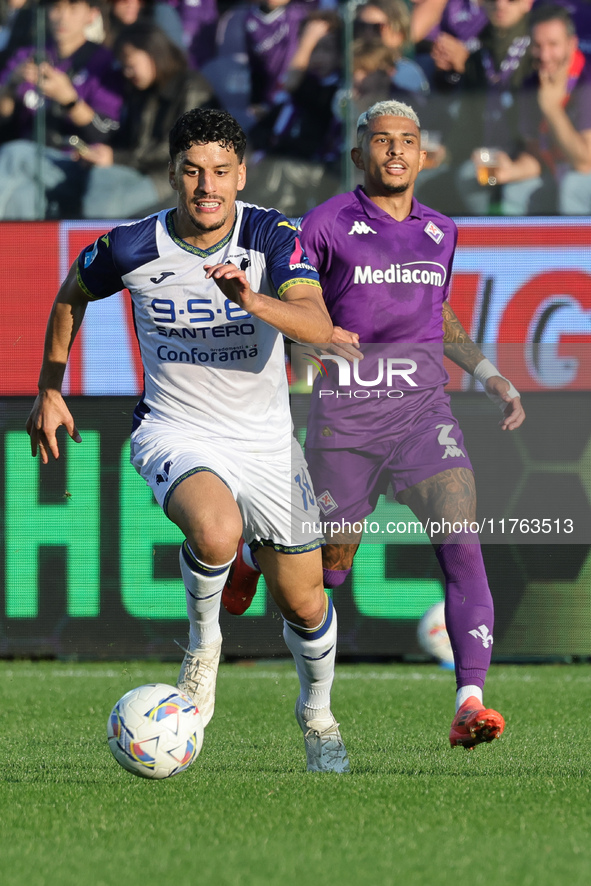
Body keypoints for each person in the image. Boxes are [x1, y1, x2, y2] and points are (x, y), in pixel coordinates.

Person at [25, 107, 350, 774]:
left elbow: (317, 325)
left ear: (241, 175)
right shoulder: (131, 245)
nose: (207, 186)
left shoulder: (269, 234)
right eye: (194, 172)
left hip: (264, 441)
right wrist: (49, 388)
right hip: (175, 428)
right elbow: (70, 294)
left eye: (221, 173)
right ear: (173, 173)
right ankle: (204, 652)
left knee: (305, 600)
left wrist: (252, 300)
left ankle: (317, 718)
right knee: (214, 531)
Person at [223, 99, 526, 750]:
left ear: (423, 156)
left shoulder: (442, 231)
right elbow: (301, 305)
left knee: (460, 537)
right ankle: (255, 553)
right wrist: (303, 356)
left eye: (407, 140)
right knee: (328, 572)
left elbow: (435, 315)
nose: (394, 150)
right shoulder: (326, 224)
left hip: (423, 413)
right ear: (359, 155)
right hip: (347, 421)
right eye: (381, 140)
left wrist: (487, 373)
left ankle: (469, 699)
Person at [79, 20, 217, 218]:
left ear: (153, 53)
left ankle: (95, 247)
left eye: (131, 65)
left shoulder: (192, 88)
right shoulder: (140, 91)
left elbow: (183, 149)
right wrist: (100, 153)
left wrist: (117, 158)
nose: (127, 73)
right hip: (138, 171)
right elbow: (128, 139)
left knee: (104, 203)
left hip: (173, 178)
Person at [0, 0, 123, 218]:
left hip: (74, 163)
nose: (62, 17)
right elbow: (4, 118)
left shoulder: (105, 61)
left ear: (92, 14)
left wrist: (68, 99)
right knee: (23, 197)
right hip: (29, 161)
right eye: (56, 8)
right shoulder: (28, 55)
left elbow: (106, 130)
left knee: (13, 153)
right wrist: (10, 86)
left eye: (73, 8)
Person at [488, 4, 591, 214]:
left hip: (581, 174)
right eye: (537, 45)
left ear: (572, 44)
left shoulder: (586, 80)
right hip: (558, 171)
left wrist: (552, 108)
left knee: (573, 186)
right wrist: (511, 170)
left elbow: (585, 162)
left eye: (553, 44)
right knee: (515, 191)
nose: (544, 55)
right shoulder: (533, 82)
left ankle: (575, 248)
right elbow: (537, 153)